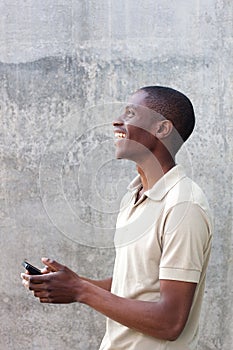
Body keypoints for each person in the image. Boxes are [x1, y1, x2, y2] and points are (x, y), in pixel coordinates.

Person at [21, 86, 213, 350]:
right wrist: (70, 282)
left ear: (162, 129)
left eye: (131, 113)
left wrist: (80, 290)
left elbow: (170, 322)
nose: (116, 120)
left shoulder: (183, 206)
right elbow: (136, 285)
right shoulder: (133, 197)